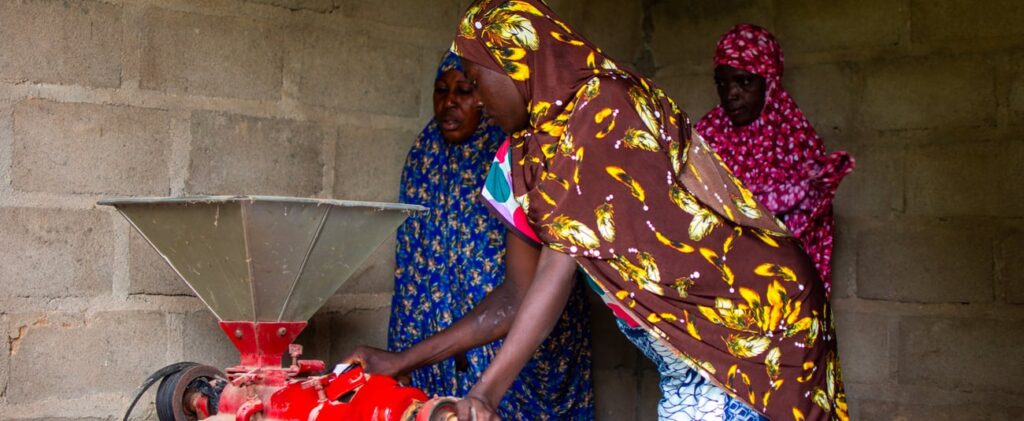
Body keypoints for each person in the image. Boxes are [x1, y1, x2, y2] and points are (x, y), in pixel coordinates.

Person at [351, 1, 848, 420]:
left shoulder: (604, 106)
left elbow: (560, 260)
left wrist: (485, 393)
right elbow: (514, 299)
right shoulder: (520, 158)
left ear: (514, 61)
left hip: (755, 327)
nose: (477, 100)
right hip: (683, 354)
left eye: (476, 81)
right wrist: (400, 361)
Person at [369, 51, 595, 420]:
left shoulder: (534, 155)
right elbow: (415, 266)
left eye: (468, 89)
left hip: (515, 333)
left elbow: (533, 283)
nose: (453, 102)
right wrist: (406, 356)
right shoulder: (428, 155)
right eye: (442, 90)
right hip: (456, 330)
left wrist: (484, 389)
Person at [696, 24, 855, 294]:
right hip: (717, 287)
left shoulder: (797, 141)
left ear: (768, 81)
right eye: (722, 83)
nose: (730, 93)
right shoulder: (706, 137)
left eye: (744, 81)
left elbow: (809, 236)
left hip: (777, 289)